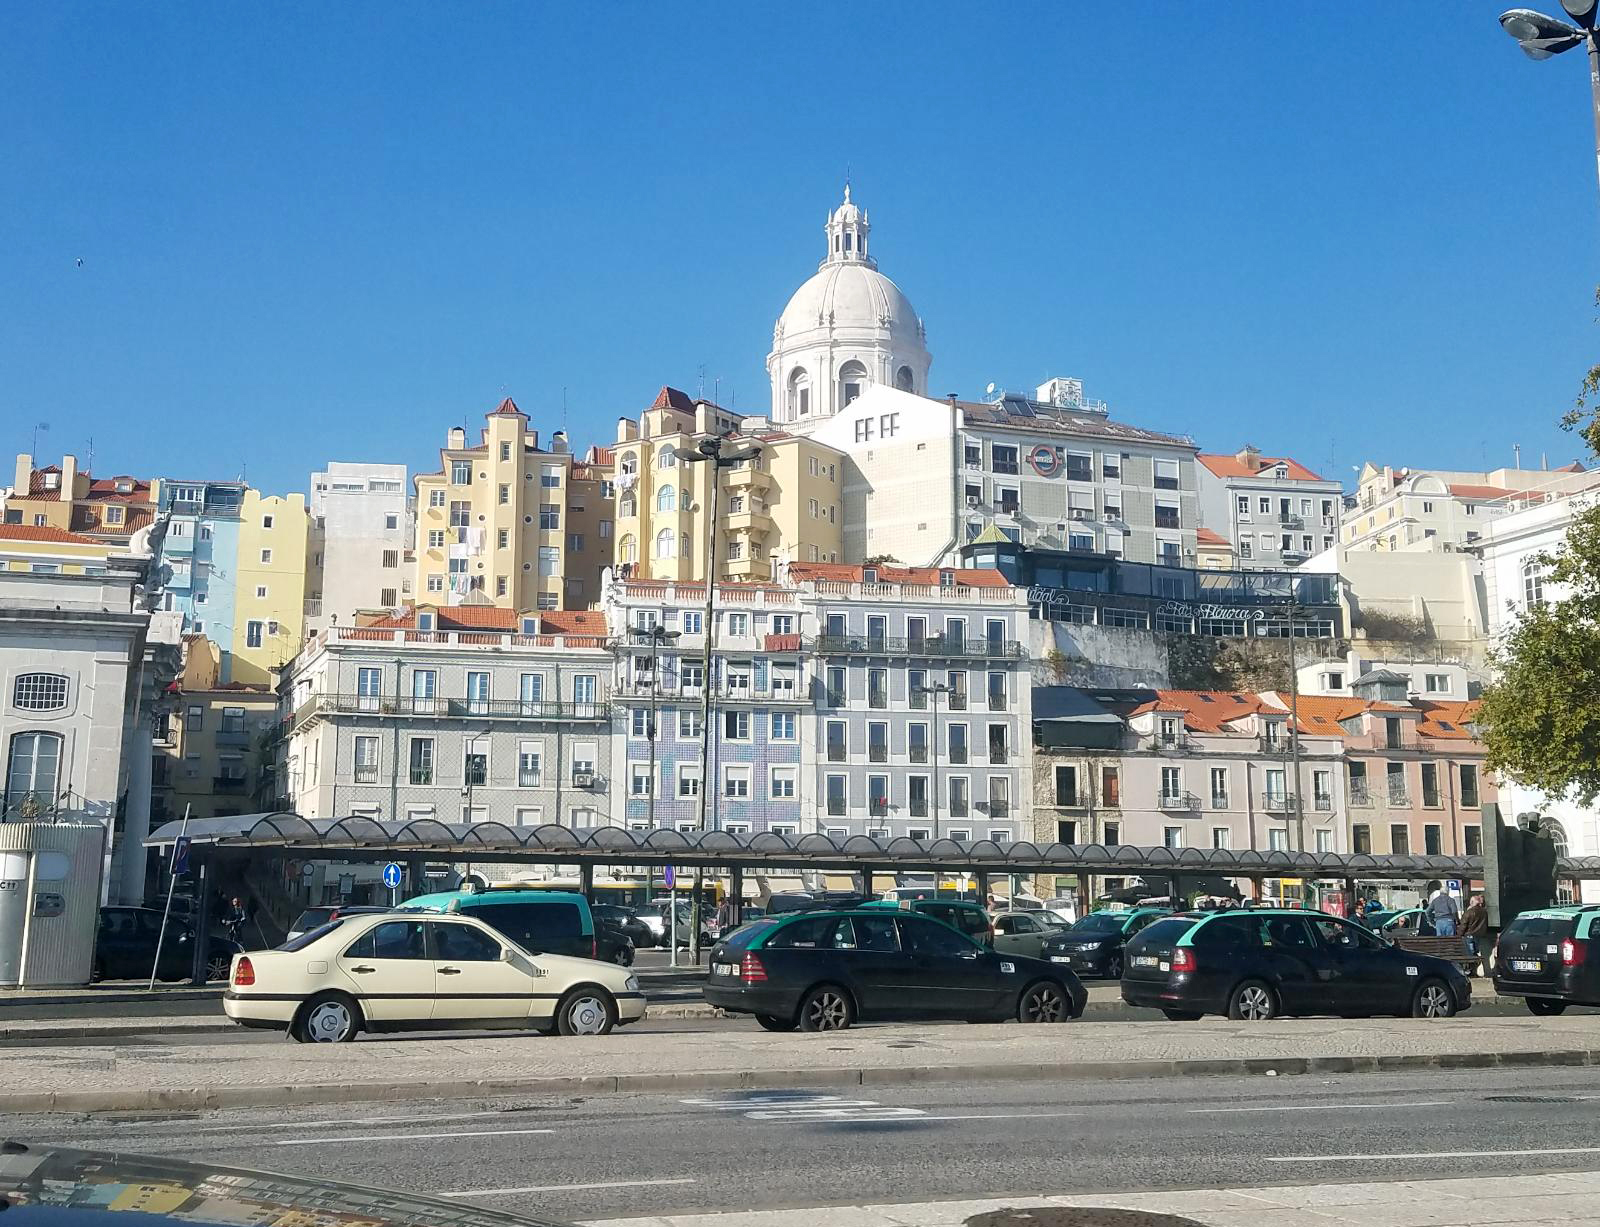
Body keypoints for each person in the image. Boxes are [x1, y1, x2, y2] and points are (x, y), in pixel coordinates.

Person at [1461, 894, 1488, 969]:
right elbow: (1485, 924)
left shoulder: (1469, 912)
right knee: (1475, 951)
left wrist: (1460, 934)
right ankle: (1475, 966)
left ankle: (1472, 968)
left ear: (1473, 902)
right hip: (1479, 935)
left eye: (1471, 902)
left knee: (1470, 953)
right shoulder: (1484, 912)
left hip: (1469, 934)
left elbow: (1463, 924)